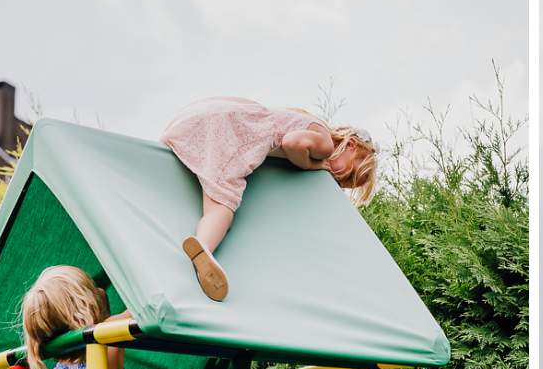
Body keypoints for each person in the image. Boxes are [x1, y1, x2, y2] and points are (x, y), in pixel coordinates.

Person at [160, 96, 379, 301]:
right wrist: (313, 165)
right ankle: (203, 248)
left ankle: (196, 253)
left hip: (201, 117)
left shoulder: (305, 123)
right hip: (229, 134)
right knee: (222, 208)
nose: (338, 181)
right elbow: (293, 143)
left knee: (215, 201)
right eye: (347, 175)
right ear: (350, 145)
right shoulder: (324, 145)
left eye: (344, 184)